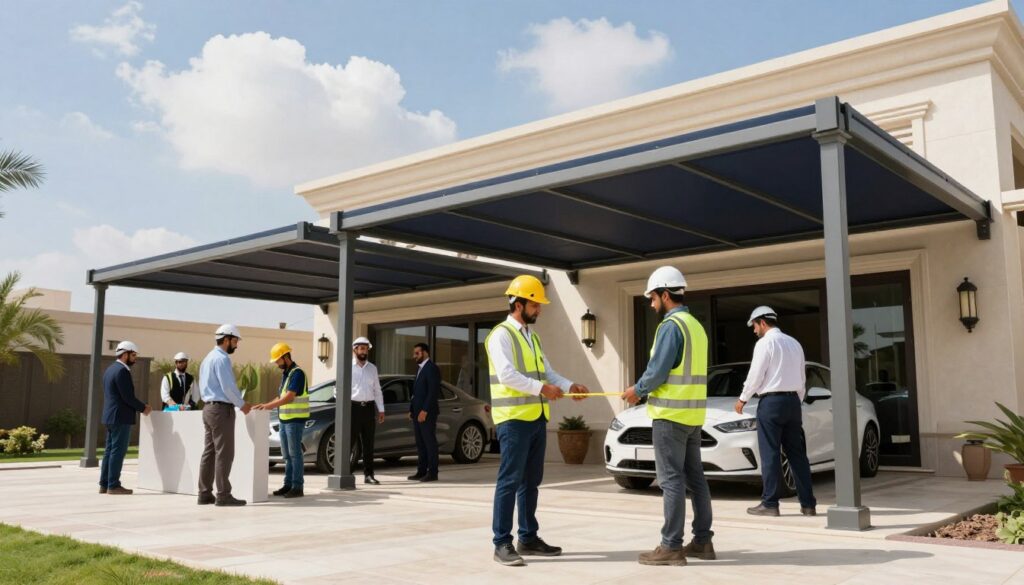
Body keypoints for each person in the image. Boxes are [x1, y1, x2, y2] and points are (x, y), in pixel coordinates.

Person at [486, 274, 590, 567]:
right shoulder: (500, 335)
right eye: (535, 305)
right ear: (519, 304)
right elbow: (507, 374)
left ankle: (528, 538)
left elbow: (548, 372)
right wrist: (542, 389)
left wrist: (570, 386)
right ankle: (501, 543)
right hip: (513, 420)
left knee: (531, 482)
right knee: (509, 481)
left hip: (535, 419)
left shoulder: (532, 337)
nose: (539, 310)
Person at [622, 267, 714, 566]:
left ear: (664, 294)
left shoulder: (671, 326)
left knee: (670, 480)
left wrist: (637, 390)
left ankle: (671, 546)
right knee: (696, 480)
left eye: (652, 298)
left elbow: (659, 370)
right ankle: (702, 542)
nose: (651, 304)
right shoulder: (696, 327)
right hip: (692, 417)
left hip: (670, 416)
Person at [734, 306, 817, 517]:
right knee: (797, 455)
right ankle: (808, 504)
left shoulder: (764, 344)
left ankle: (770, 504)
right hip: (792, 403)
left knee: (770, 453)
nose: (754, 330)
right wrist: (795, 400)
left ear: (762, 322)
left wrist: (743, 398)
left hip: (771, 404)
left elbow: (756, 375)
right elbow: (802, 377)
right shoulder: (795, 343)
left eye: (754, 325)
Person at [197, 324, 252, 507]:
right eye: (235, 341)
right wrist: (242, 404)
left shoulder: (207, 358)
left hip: (208, 410)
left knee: (209, 452)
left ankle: (204, 493)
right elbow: (227, 387)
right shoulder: (222, 359)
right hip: (221, 411)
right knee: (224, 454)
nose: (236, 345)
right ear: (227, 339)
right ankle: (223, 495)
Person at [254, 342, 308, 498]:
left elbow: (289, 397)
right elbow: (280, 396)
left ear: (286, 357)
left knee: (295, 454)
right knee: (287, 455)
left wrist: (268, 406)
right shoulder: (287, 374)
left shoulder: (298, 373)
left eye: (278, 360)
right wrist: (265, 405)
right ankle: (288, 484)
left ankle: (297, 487)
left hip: (295, 420)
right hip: (284, 420)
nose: (277, 363)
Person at [99, 341, 151, 495]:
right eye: (133, 355)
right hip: (120, 417)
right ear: (125, 354)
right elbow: (127, 397)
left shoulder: (109, 370)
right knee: (117, 451)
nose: (135, 358)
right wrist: (144, 408)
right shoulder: (122, 371)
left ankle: (104, 484)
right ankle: (113, 485)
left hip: (110, 416)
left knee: (109, 451)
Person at [351, 337, 385, 485]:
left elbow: (377, 390)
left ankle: (368, 475)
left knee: (368, 444)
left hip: (369, 408)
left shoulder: (373, 368)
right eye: (361, 348)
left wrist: (381, 410)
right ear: (355, 350)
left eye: (366, 349)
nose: (364, 351)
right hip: (353, 408)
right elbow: (338, 389)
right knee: (349, 443)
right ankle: (346, 473)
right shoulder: (348, 367)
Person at [409, 342, 440, 482]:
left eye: (417, 353)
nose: (414, 356)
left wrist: (425, 410)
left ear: (425, 353)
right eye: (414, 353)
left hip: (427, 413)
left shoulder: (431, 368)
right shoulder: (420, 369)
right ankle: (421, 471)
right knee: (420, 443)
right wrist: (412, 410)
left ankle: (432, 472)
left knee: (429, 443)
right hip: (417, 413)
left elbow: (433, 392)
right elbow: (416, 393)